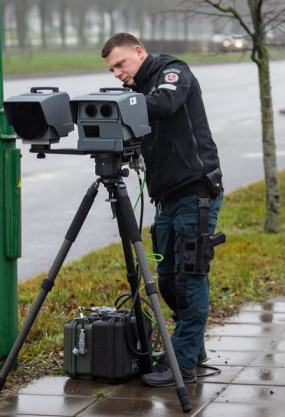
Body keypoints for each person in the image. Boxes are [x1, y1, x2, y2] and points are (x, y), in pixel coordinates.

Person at [101, 32, 224, 387]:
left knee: (190, 275)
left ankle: (183, 364)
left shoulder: (173, 72)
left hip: (196, 191)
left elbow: (165, 104)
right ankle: (191, 348)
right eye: (112, 70)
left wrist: (120, 104)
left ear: (139, 52)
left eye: (121, 64)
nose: (117, 74)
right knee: (167, 279)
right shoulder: (137, 93)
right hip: (166, 198)